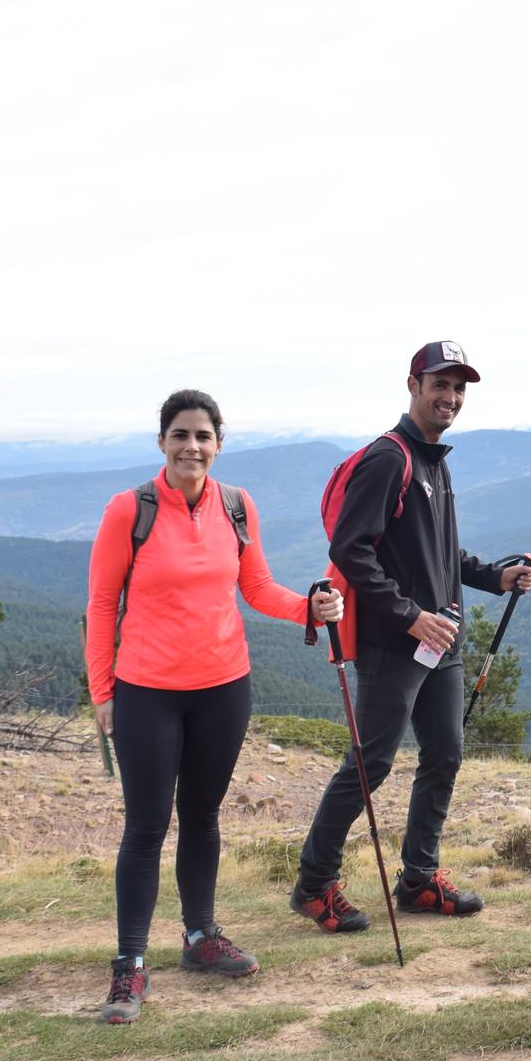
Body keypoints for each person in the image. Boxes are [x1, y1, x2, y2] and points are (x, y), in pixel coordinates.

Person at [84, 389, 343, 1024]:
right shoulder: (129, 510)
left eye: (202, 436)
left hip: (225, 687)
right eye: (179, 435)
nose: (191, 446)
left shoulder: (236, 505)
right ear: (162, 443)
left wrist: (306, 608)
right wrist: (103, 694)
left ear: (218, 443)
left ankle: (200, 938)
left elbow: (254, 586)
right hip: (146, 690)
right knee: (146, 828)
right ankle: (129, 968)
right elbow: (100, 604)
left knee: (201, 816)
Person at [291, 341, 531, 930]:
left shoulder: (434, 460)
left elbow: (439, 552)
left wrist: (493, 578)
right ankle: (313, 884)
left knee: (445, 754)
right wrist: (409, 615)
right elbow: (350, 549)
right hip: (393, 643)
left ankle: (419, 880)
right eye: (439, 385)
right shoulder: (389, 458)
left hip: (439, 642)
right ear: (413, 384)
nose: (449, 397)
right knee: (369, 765)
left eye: (458, 388)